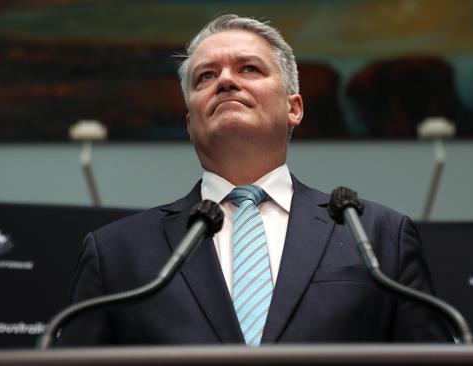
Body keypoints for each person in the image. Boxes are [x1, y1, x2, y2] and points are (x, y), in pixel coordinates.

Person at [58, 14, 450, 346]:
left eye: (249, 68)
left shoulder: (379, 235)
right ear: (190, 122)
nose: (225, 82)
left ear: (294, 108)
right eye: (205, 76)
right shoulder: (114, 253)